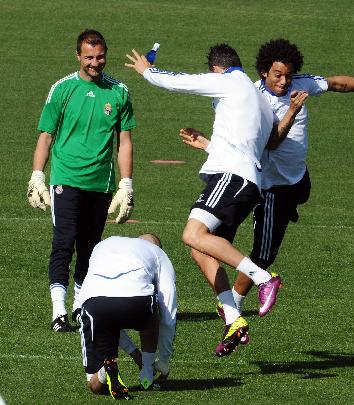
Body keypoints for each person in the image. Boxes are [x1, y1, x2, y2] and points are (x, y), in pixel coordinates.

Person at [182, 39, 354, 317]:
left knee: (268, 239)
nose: (284, 81)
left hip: (296, 181)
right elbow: (270, 143)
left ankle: (236, 293)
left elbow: (336, 83)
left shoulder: (301, 83)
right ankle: (234, 302)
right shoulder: (253, 98)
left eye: (288, 74)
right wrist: (291, 111)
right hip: (268, 185)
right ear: (263, 72)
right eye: (277, 75)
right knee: (260, 252)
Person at [125, 43, 288, 357]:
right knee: (200, 247)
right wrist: (208, 145)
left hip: (231, 178)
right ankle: (233, 317)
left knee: (192, 234)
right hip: (246, 182)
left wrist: (148, 72)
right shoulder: (262, 103)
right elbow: (248, 146)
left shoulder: (228, 80)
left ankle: (264, 278)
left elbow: (180, 81)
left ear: (217, 68)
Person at [27, 29, 136, 333]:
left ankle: (80, 305)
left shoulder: (119, 92)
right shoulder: (62, 89)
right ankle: (58, 311)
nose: (95, 62)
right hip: (66, 178)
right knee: (64, 242)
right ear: (78, 56)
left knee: (90, 248)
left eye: (100, 56)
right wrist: (38, 174)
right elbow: (46, 136)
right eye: (88, 57)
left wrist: (126, 183)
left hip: (100, 183)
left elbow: (124, 141)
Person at [79, 234, 176, 399]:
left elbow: (110, 313)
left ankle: (105, 370)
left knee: (95, 386)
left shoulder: (104, 244)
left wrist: (134, 353)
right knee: (153, 308)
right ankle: (147, 372)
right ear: (158, 247)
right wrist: (164, 361)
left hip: (93, 306)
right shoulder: (157, 253)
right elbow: (168, 314)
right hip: (137, 303)